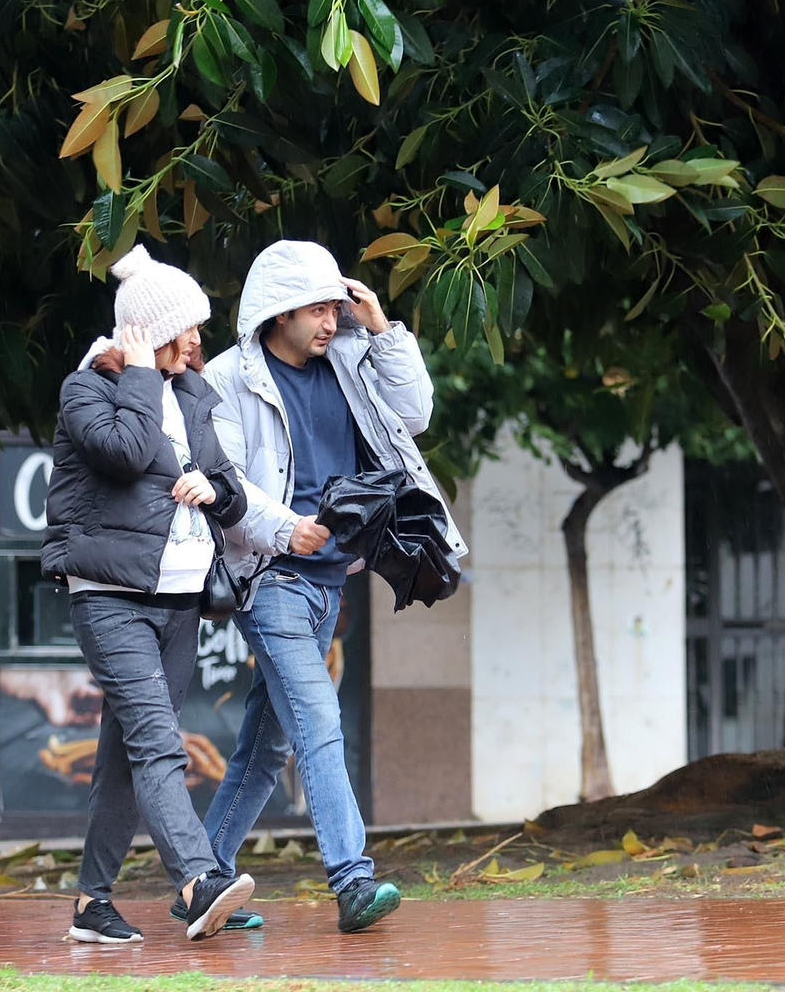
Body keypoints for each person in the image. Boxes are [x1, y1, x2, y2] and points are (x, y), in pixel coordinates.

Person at [202, 239, 467, 933]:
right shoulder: (230, 378)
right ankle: (353, 880)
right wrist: (287, 529)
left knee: (267, 746)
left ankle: (202, 877)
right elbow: (227, 484)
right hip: (271, 579)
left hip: (328, 582)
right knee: (319, 722)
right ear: (278, 312)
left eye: (334, 307)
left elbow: (415, 415)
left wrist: (382, 330)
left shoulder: (349, 360)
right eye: (316, 309)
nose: (330, 321)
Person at [42, 246, 255, 944]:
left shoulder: (190, 394)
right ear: (150, 332)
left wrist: (212, 488)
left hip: (180, 598)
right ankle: (198, 881)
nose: (197, 339)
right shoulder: (88, 390)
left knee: (124, 756)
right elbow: (127, 452)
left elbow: (232, 492)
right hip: (110, 597)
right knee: (159, 743)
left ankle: (90, 904)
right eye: (185, 327)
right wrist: (137, 372)